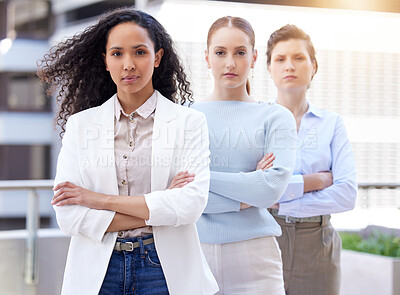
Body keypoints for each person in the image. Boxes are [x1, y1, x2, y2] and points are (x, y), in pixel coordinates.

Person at [38, 8, 218, 295]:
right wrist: (158, 206)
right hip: (98, 271)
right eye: (118, 53)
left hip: (163, 269)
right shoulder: (81, 126)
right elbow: (69, 216)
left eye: (140, 52)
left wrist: (96, 199)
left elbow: (190, 205)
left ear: (157, 58)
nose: (129, 64)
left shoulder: (189, 122)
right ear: (105, 60)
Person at [191, 16, 297, 294]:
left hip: (256, 258)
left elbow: (270, 190)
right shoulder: (184, 116)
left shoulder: (276, 117)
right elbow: (171, 192)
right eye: (220, 53)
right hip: (191, 252)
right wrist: (245, 193)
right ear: (207, 57)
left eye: (240, 53)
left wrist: (199, 180)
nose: (230, 63)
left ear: (253, 57)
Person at [266, 24, 357, 295]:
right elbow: (253, 191)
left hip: (319, 245)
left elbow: (346, 194)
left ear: (313, 66)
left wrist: (281, 198)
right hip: (267, 238)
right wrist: (312, 182)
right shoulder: (257, 123)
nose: (289, 66)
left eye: (298, 58)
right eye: (280, 59)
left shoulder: (332, 124)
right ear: (269, 68)